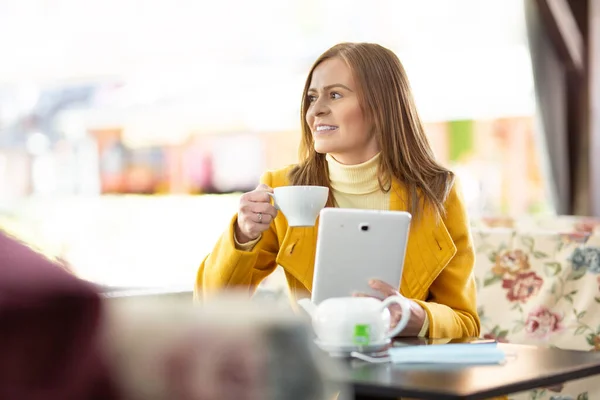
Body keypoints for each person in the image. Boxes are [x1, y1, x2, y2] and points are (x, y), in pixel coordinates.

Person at [195, 42, 480, 339]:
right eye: (312, 97)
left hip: (409, 378)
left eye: (335, 95)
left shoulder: (438, 193)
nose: (315, 110)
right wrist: (243, 235)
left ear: (381, 105)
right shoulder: (285, 190)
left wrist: (418, 317)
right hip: (321, 377)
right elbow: (210, 307)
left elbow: (466, 321)